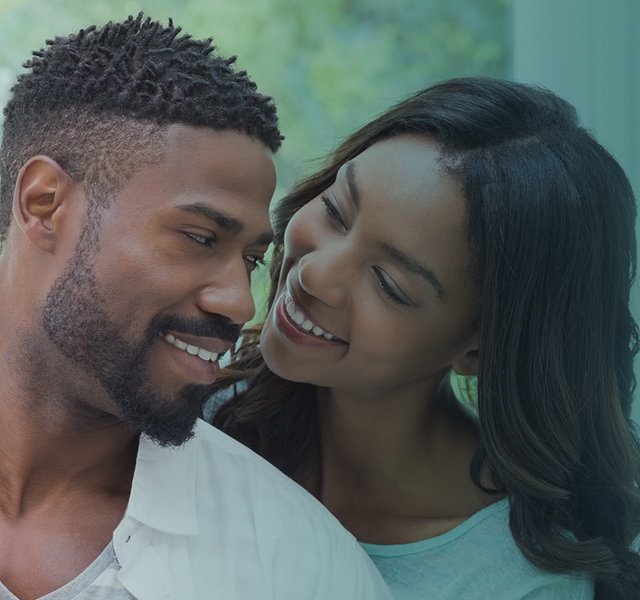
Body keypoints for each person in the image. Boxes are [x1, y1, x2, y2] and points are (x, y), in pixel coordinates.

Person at [0, 14, 393, 600]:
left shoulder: (301, 568)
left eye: (253, 261)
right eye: (200, 238)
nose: (238, 301)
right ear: (45, 205)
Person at [210, 77, 640, 600]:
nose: (316, 275)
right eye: (335, 211)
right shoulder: (202, 408)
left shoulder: (518, 583)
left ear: (479, 349)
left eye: (390, 284)